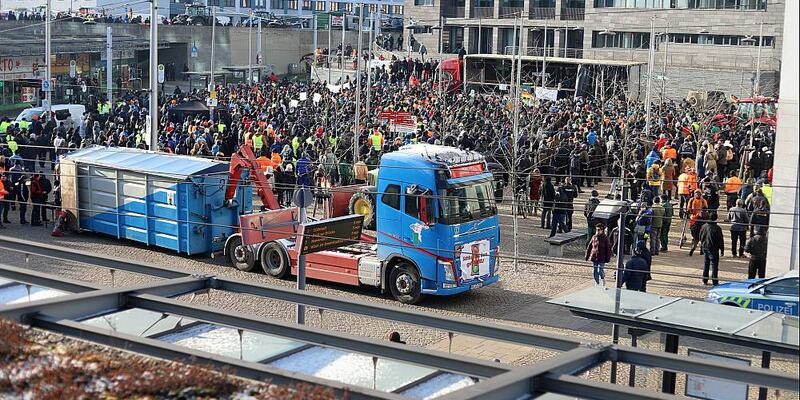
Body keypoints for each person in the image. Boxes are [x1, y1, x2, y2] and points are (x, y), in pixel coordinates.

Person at [699, 212, 725, 286]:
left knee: (706, 263)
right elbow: (720, 240)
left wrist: (702, 244)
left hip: (705, 247)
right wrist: (722, 250)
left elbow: (700, 236)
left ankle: (705, 279)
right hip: (713, 248)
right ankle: (715, 281)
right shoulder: (717, 228)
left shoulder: (704, 226)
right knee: (714, 265)